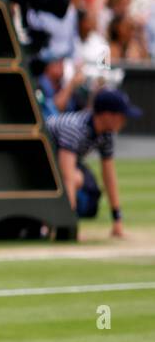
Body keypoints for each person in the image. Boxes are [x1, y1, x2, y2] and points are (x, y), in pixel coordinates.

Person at [44, 89, 141, 237]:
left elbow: (109, 175)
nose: (124, 121)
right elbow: (67, 176)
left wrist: (117, 219)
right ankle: (49, 224)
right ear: (107, 115)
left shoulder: (106, 134)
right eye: (121, 116)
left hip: (58, 161)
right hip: (37, 161)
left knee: (91, 199)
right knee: (75, 178)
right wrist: (69, 226)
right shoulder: (74, 128)